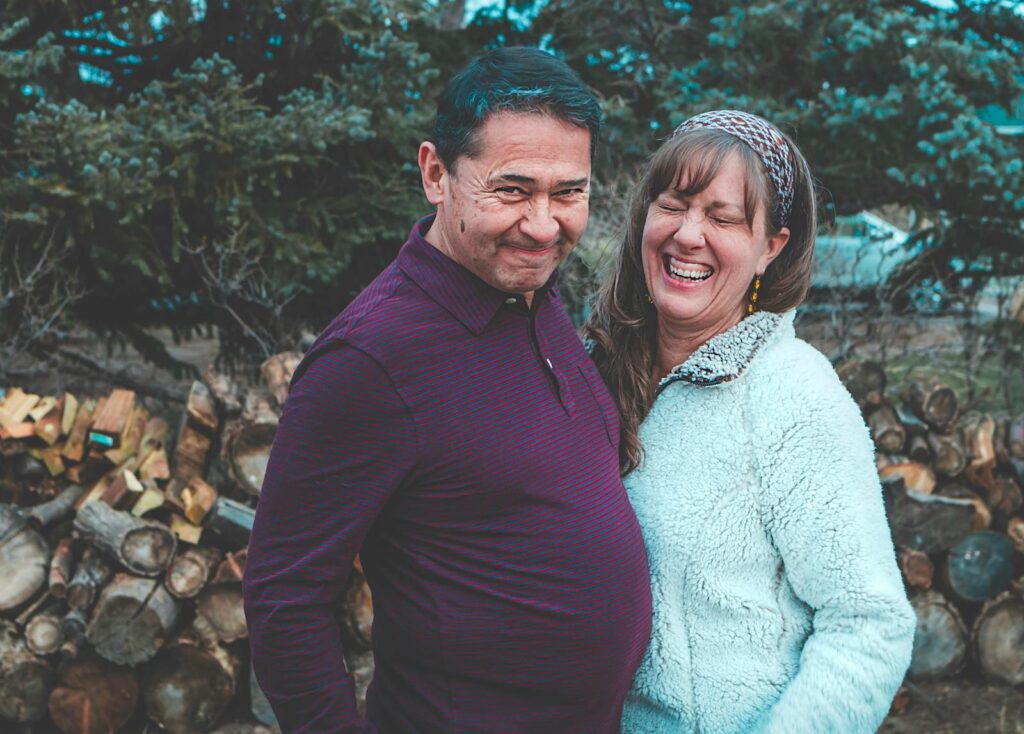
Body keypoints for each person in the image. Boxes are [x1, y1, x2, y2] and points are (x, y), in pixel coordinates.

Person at [243, 47, 653, 734]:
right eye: (513, 190)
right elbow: (285, 598)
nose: (545, 225)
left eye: (569, 192)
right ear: (436, 174)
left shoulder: (530, 293)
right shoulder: (371, 359)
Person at [584, 110, 916, 733]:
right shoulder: (592, 371)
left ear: (771, 248)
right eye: (674, 204)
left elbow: (870, 623)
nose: (687, 234)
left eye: (722, 217)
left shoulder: (792, 397)